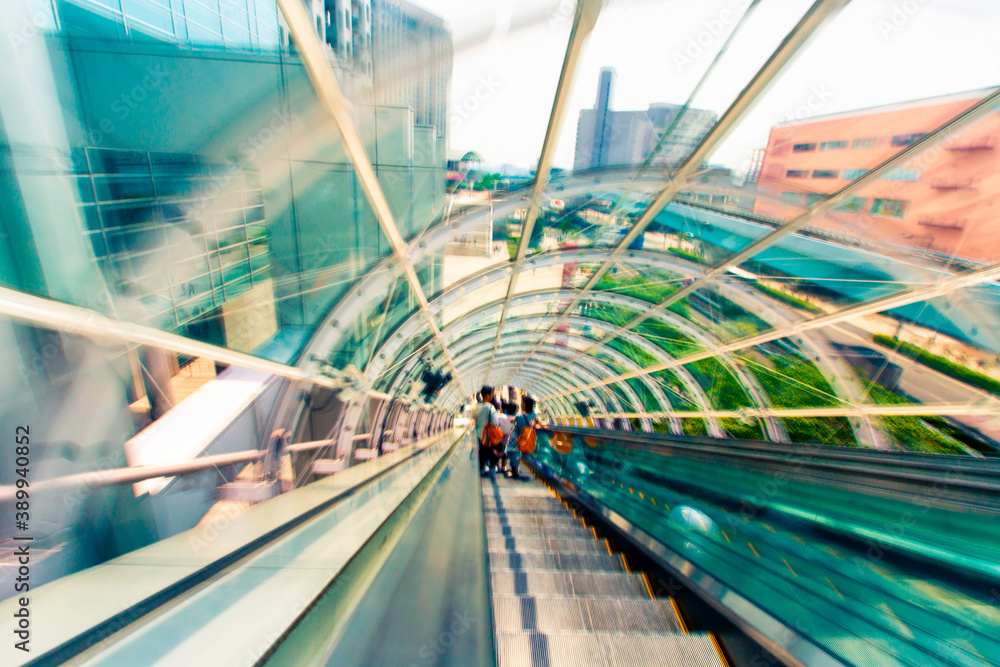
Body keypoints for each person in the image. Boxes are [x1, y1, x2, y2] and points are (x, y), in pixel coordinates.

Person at [511, 396, 543, 479]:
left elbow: (513, 422)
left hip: (520, 438)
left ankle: (515, 471)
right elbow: (539, 423)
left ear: (524, 404)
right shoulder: (533, 415)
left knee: (516, 455)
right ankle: (533, 469)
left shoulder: (519, 416)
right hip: (530, 439)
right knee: (529, 454)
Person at [475, 386, 501, 478]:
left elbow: (473, 421)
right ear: (487, 395)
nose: (492, 396)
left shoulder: (476, 407)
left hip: (479, 434)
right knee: (491, 452)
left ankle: (481, 469)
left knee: (482, 452)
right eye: (491, 394)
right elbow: (495, 422)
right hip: (489, 435)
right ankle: (492, 469)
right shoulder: (491, 407)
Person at [500, 401, 520, 478]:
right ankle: (515, 470)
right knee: (515, 455)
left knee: (503, 454)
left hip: (503, 439)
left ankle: (502, 467)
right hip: (513, 441)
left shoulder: (501, 417)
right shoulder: (517, 419)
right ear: (515, 410)